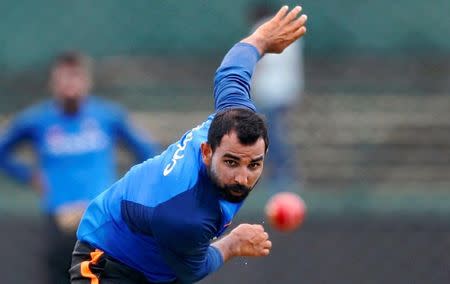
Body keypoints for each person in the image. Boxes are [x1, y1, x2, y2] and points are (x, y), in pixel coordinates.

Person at [69, 5, 307, 284]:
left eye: (254, 164)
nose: (243, 177)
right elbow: (191, 270)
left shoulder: (232, 116)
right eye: (231, 162)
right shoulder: (186, 215)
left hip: (156, 265)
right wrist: (233, 244)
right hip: (108, 264)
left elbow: (231, 71)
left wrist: (260, 40)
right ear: (207, 151)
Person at [0, 51, 159, 284]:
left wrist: (124, 189)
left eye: (76, 76)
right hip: (60, 221)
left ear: (87, 81)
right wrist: (29, 176)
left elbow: (148, 153)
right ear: (52, 83)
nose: (70, 84)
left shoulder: (107, 116)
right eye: (63, 77)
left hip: (101, 220)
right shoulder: (37, 120)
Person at [250, 3, 305, 190]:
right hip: (287, 91)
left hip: (269, 92)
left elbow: (260, 63)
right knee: (276, 134)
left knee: (270, 136)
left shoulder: (262, 30)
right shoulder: (288, 31)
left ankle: (281, 175)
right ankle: (282, 174)